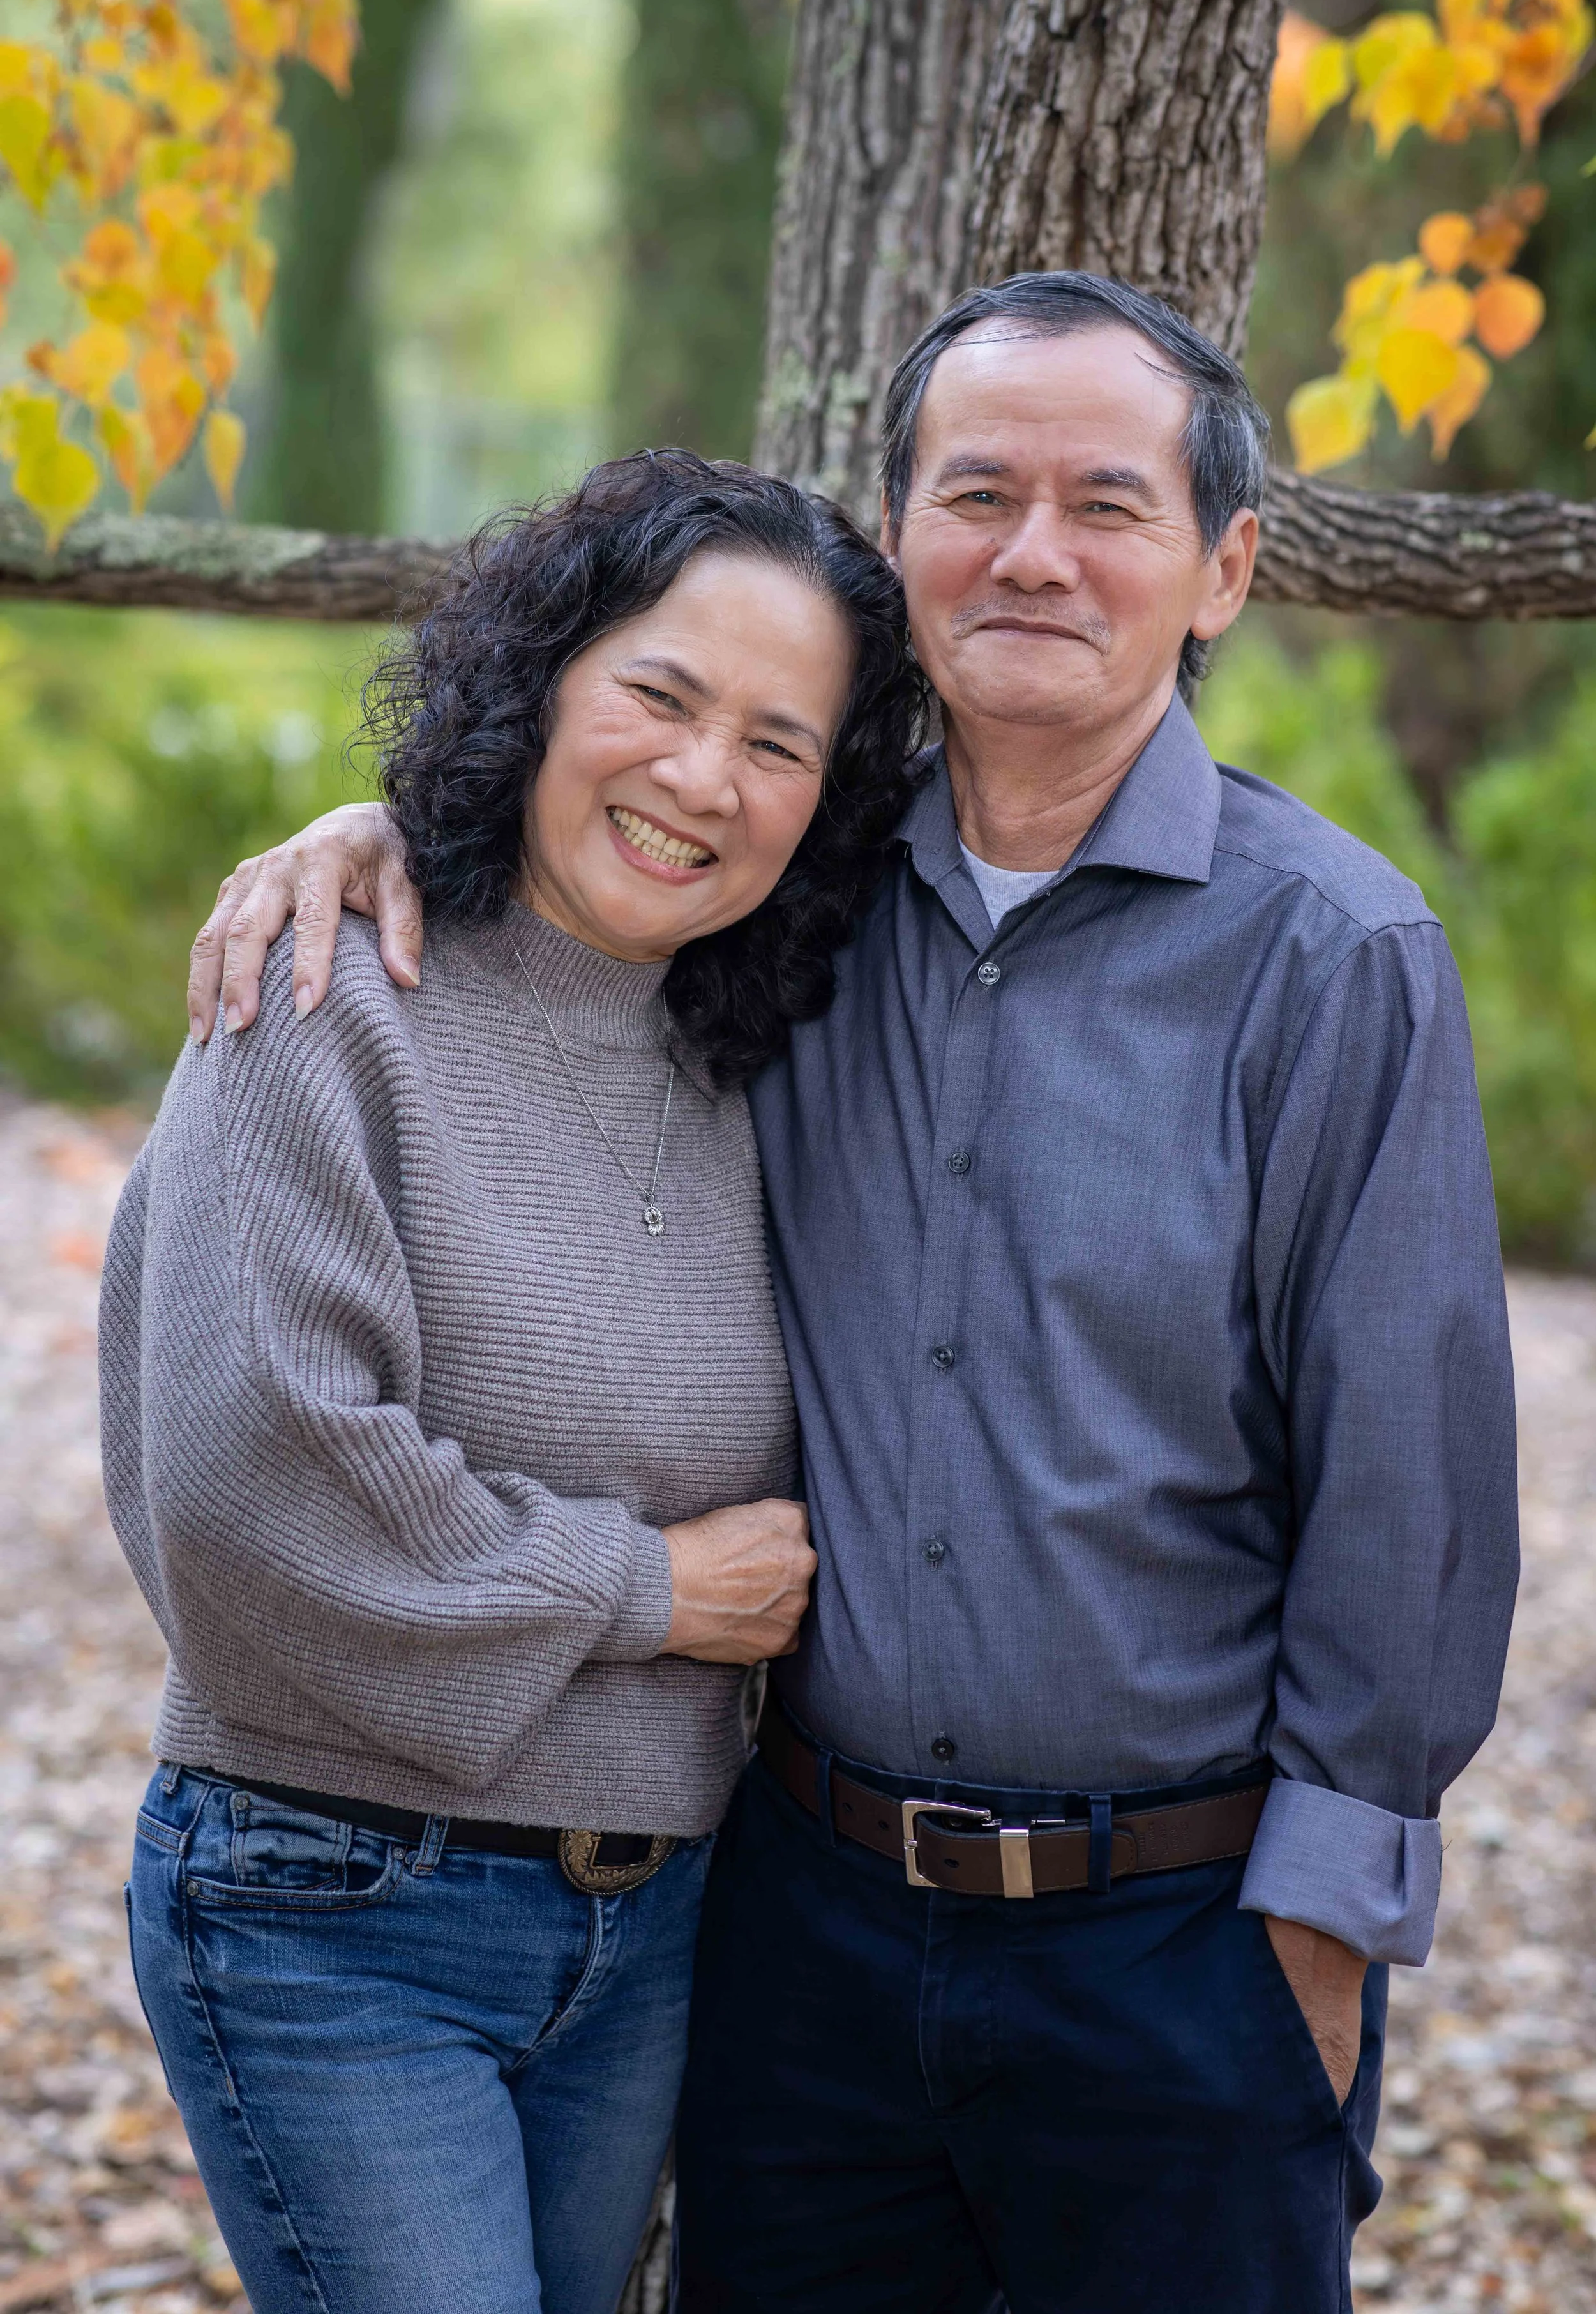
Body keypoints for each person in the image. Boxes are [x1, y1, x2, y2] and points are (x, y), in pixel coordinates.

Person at [190, 274, 1519, 2314]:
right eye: (975, 491)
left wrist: (1318, 1937)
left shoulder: (1327, 956)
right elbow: (571, 877)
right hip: (801, 1928)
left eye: (1108, 502)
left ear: (1223, 568)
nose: (1034, 552)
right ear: (898, 543)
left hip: (1174, 1944)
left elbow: (1407, 1487)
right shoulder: (787, 889)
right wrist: (375, 828)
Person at [100, 450, 928, 2314]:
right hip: (331, 1909)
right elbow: (254, 1492)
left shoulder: (758, 1053)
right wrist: (652, 1589)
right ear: (542, 675)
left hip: (653, 1922)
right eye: (658, 693)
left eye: (780, 745)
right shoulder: (326, 992)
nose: (702, 778)